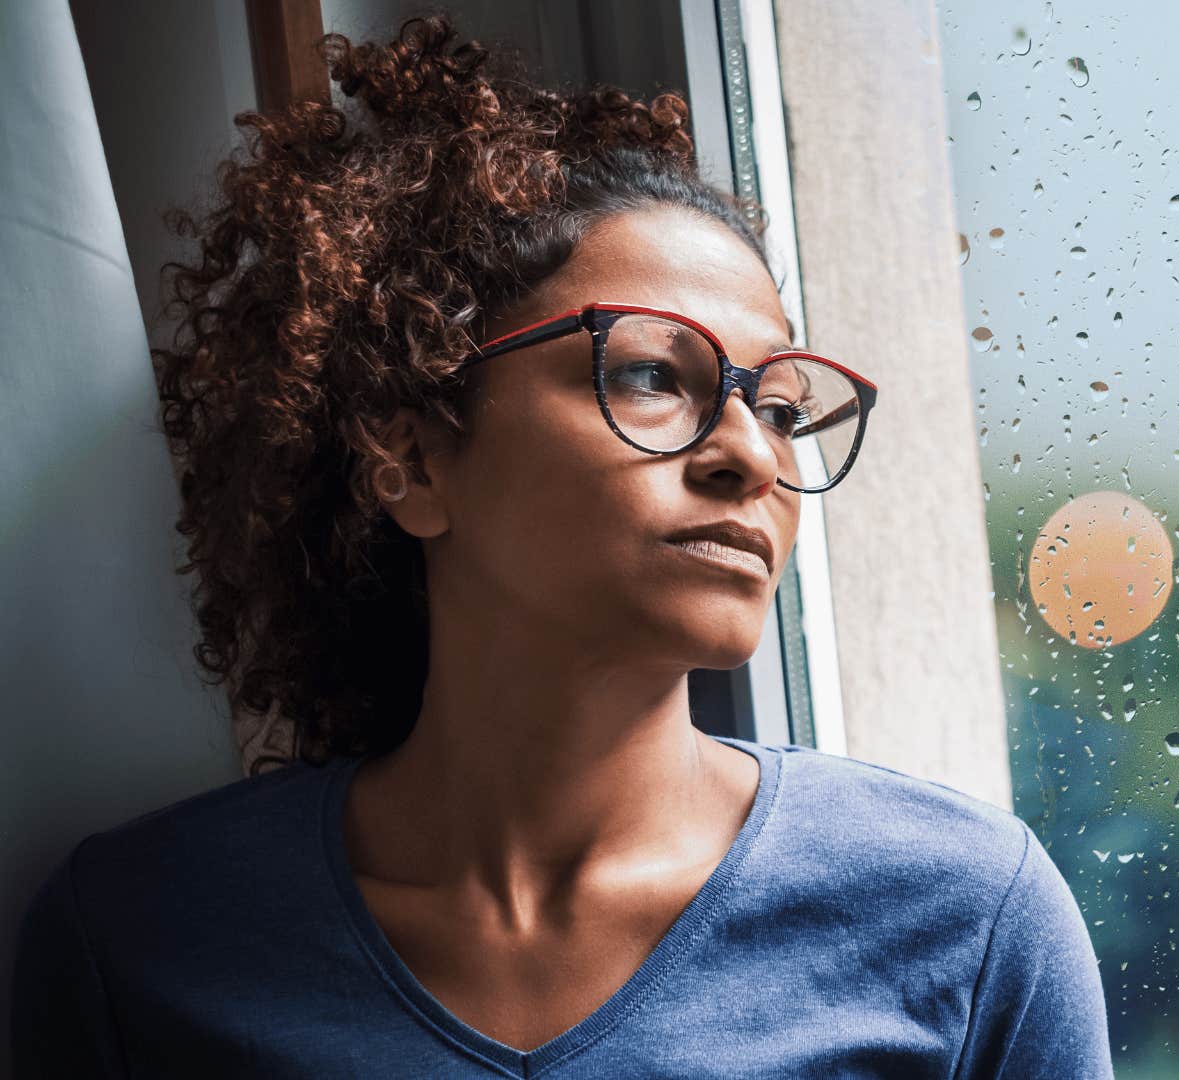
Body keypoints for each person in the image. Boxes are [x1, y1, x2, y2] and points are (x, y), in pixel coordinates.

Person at [9, 16, 1112, 1078]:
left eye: (777, 405)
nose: (750, 456)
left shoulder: (967, 920)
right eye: (648, 374)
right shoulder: (139, 939)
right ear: (415, 458)